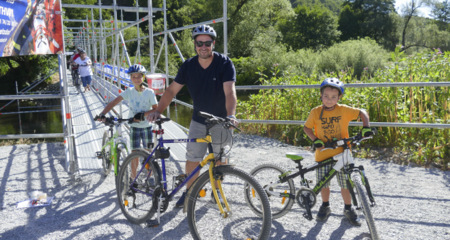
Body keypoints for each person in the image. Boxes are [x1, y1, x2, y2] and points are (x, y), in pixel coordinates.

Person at [147, 24, 238, 208]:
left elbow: (230, 92)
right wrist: (158, 110)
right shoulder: (188, 66)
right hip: (198, 120)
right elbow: (172, 90)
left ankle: (217, 191)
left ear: (213, 43)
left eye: (207, 43)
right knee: (193, 159)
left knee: (220, 159)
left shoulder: (224, 63)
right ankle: (190, 193)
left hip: (221, 119)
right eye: (199, 43)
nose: (203, 47)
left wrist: (230, 116)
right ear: (195, 44)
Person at [303, 77, 373, 226]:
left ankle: (348, 208)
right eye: (326, 96)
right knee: (323, 184)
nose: (329, 100)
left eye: (333, 97)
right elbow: (307, 128)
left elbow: (362, 112)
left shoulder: (343, 110)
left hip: (343, 154)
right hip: (323, 154)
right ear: (321, 95)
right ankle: (325, 205)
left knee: (345, 185)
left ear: (339, 97)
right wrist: (315, 139)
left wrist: (366, 126)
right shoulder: (316, 112)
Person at [96, 64, 158, 157]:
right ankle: (134, 172)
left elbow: (156, 109)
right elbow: (114, 102)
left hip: (147, 126)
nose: (136, 79)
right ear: (130, 78)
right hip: (134, 125)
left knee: (148, 154)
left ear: (144, 77)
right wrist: (102, 113)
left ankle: (150, 171)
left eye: (139, 76)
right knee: (134, 155)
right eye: (134, 77)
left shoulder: (149, 92)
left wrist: (143, 114)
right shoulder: (129, 91)